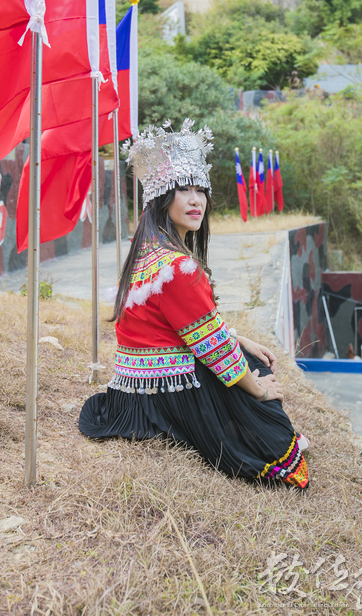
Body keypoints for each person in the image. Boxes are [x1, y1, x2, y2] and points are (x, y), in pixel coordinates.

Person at [79, 120, 309, 490]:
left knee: (247, 359)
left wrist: (239, 339)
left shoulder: (150, 249)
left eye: (201, 190)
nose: (195, 200)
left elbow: (193, 325)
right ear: (162, 197)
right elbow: (214, 349)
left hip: (133, 391)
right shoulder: (178, 266)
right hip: (165, 395)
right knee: (276, 435)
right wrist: (259, 391)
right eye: (183, 189)